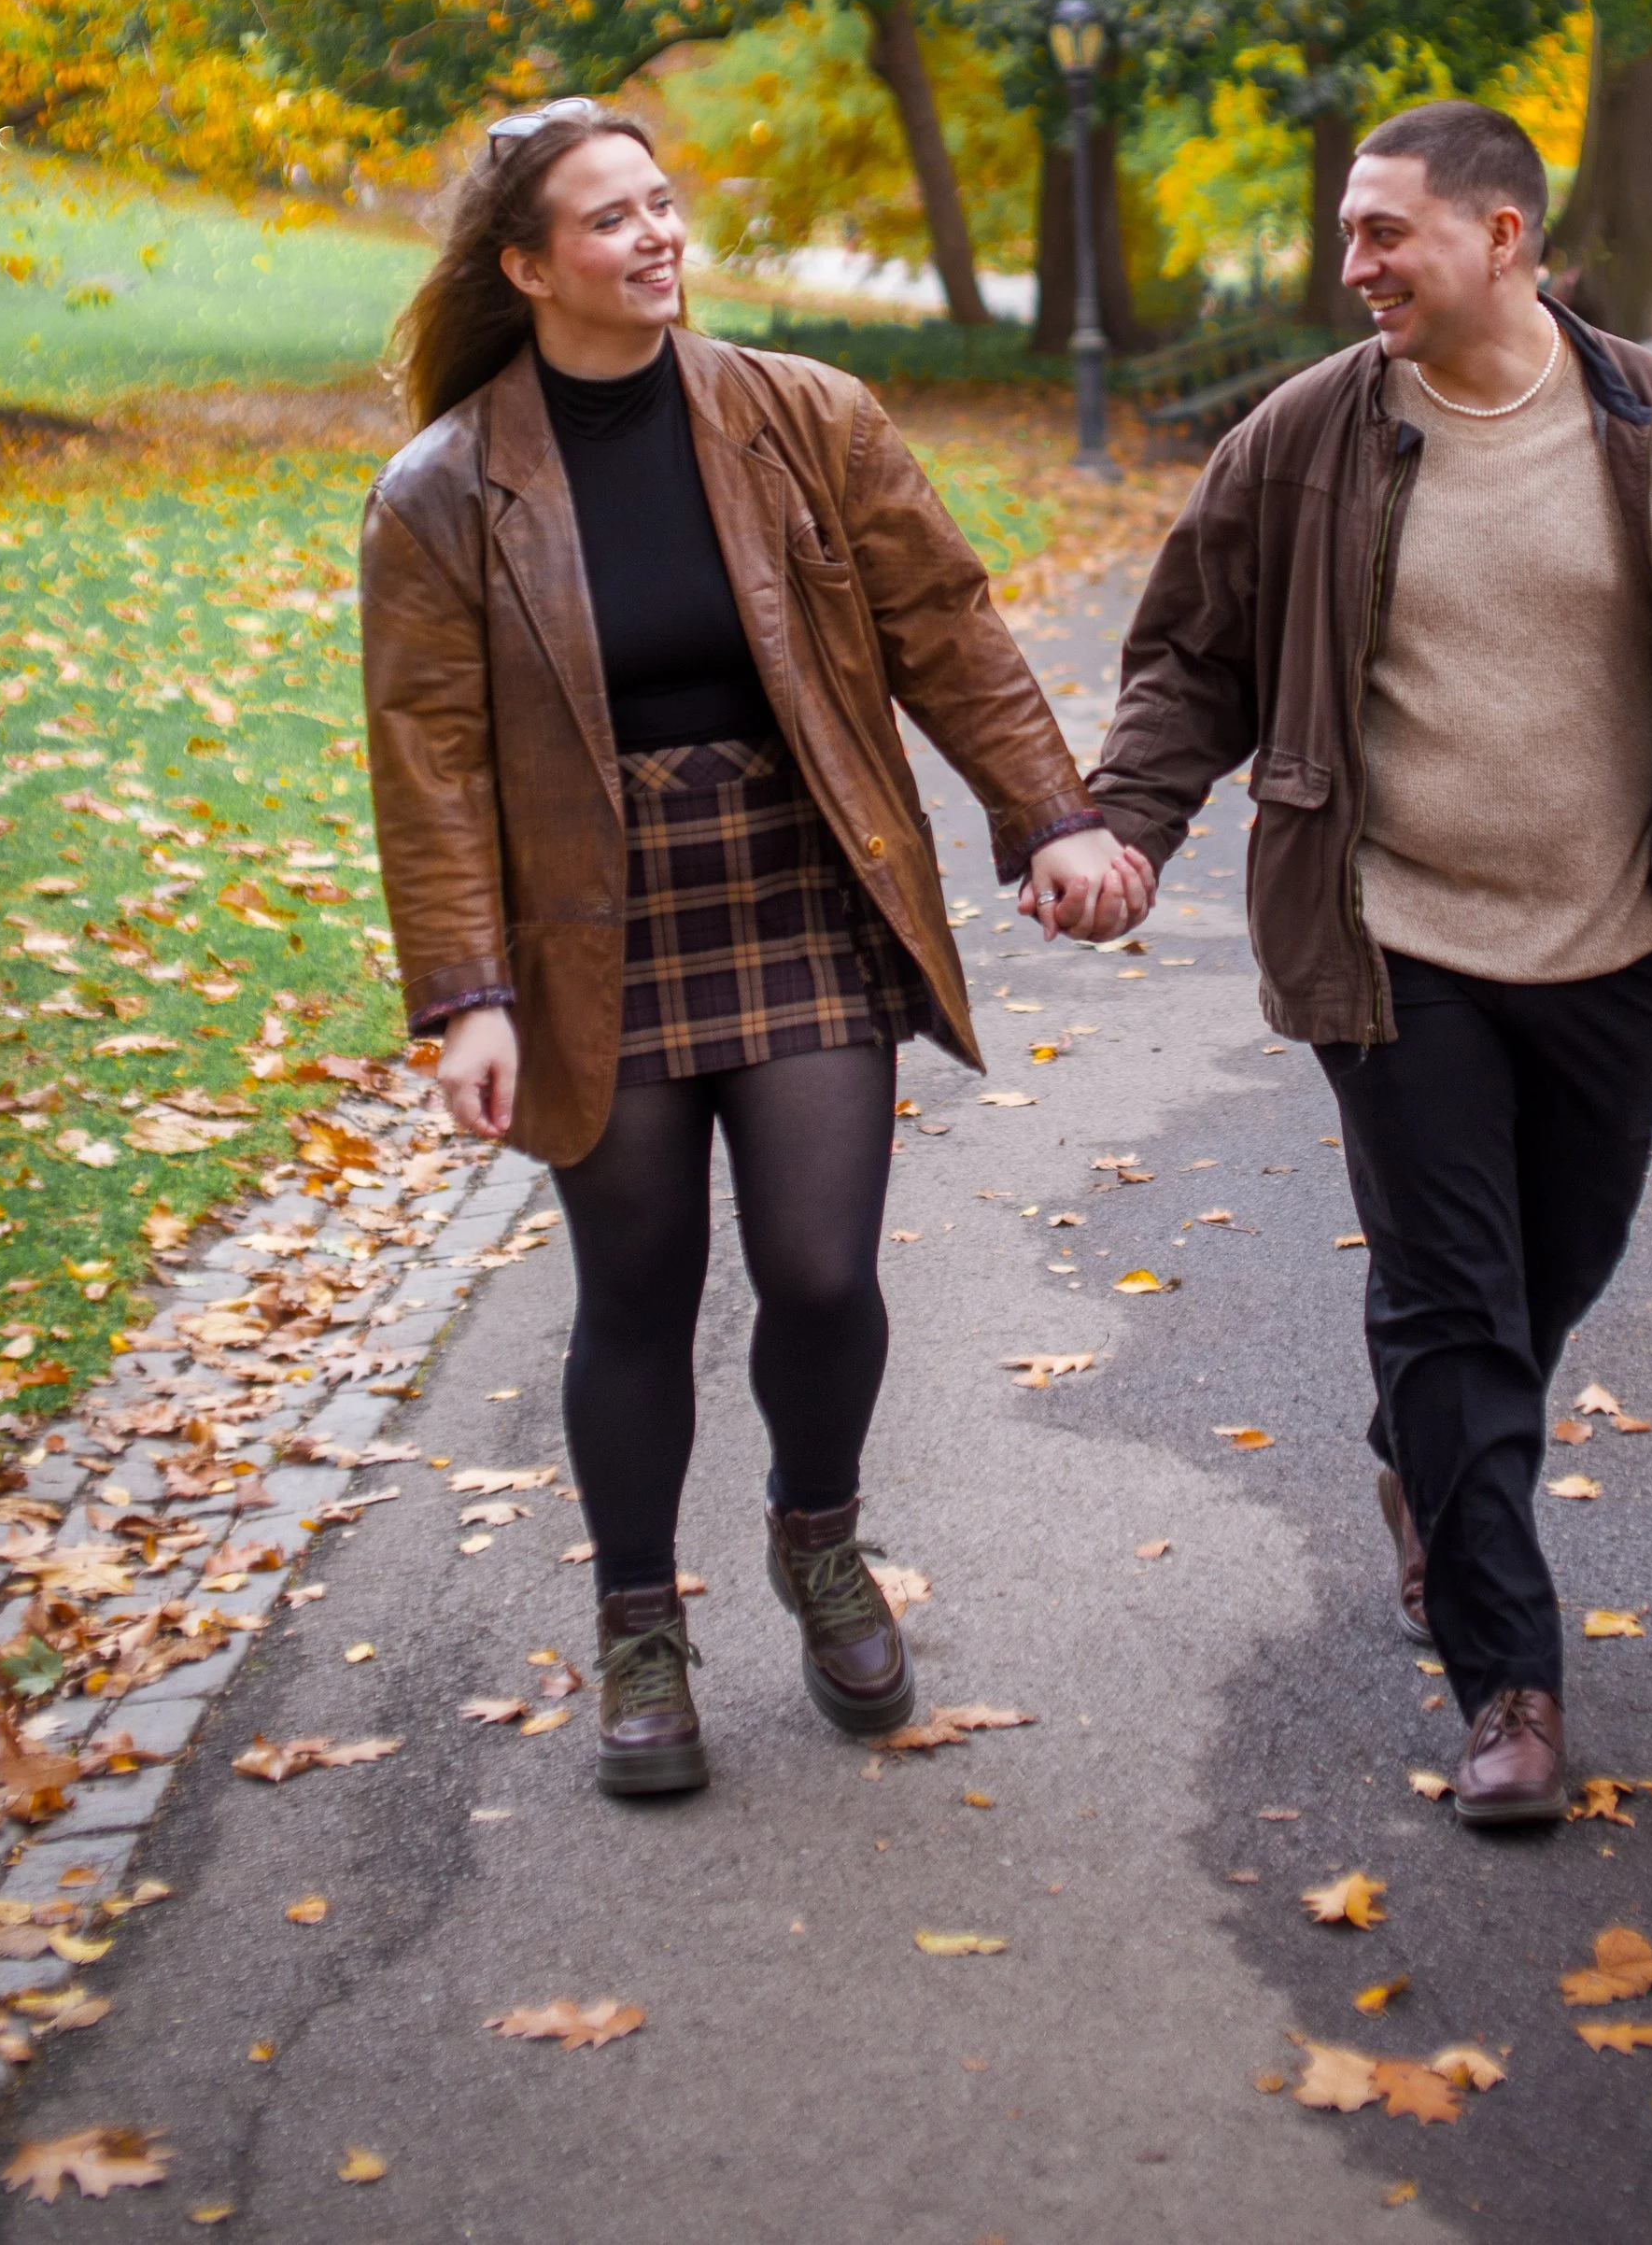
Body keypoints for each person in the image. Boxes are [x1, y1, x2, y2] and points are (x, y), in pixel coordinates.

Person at [1088, 101, 1652, 1825]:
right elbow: (1189, 658)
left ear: (1504, 237)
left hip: (1617, 938)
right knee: (1450, 1295)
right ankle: (1511, 1683)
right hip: (1395, 936)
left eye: (1387, 232)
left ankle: (1420, 1465)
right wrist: (1128, 823)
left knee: (1551, 1270)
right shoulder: (1303, 438)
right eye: (1348, 232)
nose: (1350, 262)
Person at [360, 98, 1148, 1799]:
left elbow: (945, 621)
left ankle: (818, 1541)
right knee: (636, 1289)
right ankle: (640, 1628)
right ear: (524, 265)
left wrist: (1050, 812)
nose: (656, 235)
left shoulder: (804, 415)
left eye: (664, 203)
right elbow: (426, 758)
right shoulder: (444, 489)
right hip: (594, 922)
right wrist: (469, 997)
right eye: (609, 218)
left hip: (798, 880)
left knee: (819, 1269)